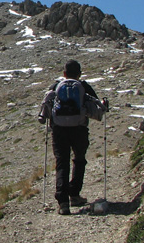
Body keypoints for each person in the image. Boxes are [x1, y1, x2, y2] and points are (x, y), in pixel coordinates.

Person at [38, 60, 103, 215]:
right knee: (79, 159)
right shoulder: (84, 87)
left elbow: (46, 107)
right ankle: (74, 194)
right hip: (79, 129)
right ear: (79, 74)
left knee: (62, 163)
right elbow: (96, 107)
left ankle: (63, 202)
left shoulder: (55, 87)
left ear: (64, 73)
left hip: (59, 130)